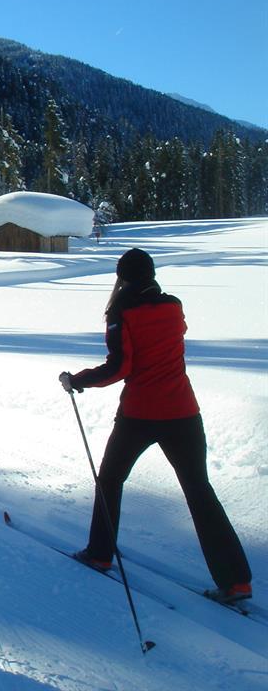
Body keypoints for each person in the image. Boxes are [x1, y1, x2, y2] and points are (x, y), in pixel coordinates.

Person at [60, 248, 252, 604]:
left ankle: (100, 554)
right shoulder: (173, 305)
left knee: (110, 480)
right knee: (199, 490)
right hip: (184, 412)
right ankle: (236, 581)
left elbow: (119, 367)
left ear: (122, 278)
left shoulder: (121, 311)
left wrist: (77, 380)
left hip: (141, 414)